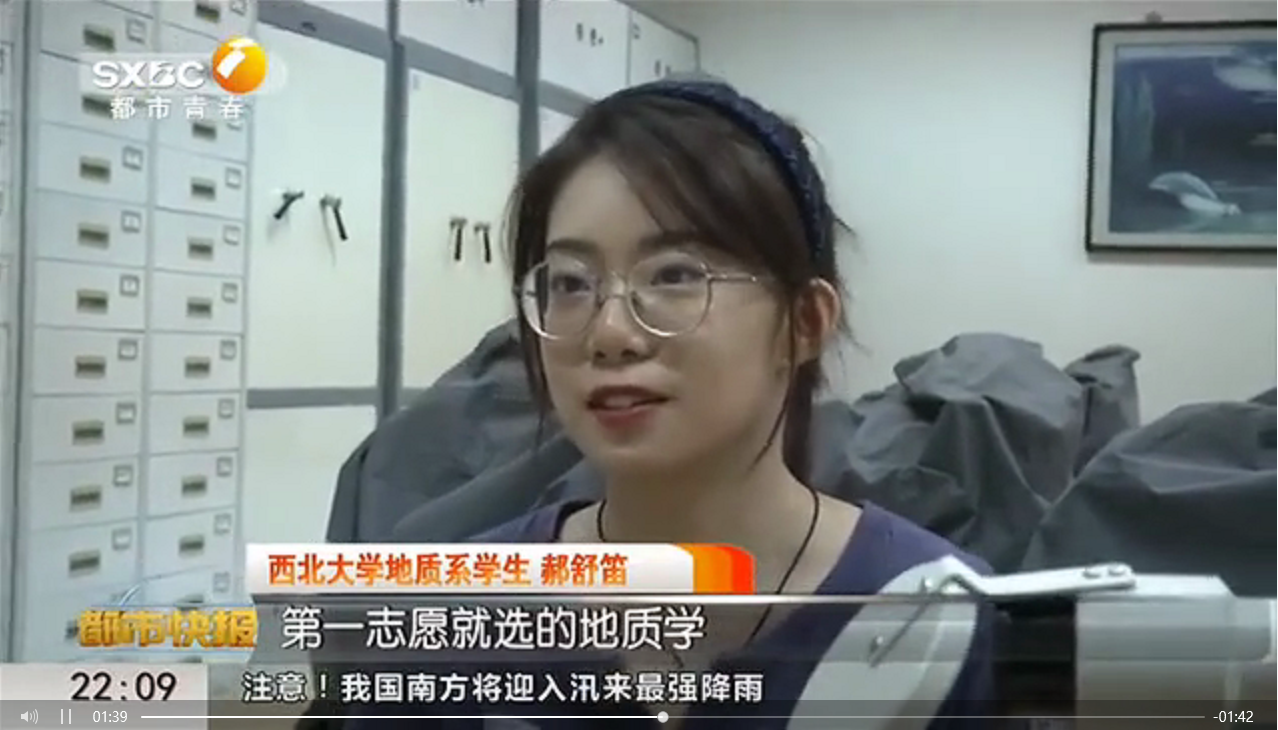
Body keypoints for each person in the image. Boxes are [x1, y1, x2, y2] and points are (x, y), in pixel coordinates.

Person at [343, 79, 994, 729]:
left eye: (675, 276)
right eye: (569, 284)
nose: (610, 334)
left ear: (805, 322)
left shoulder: (931, 614)